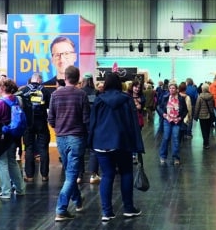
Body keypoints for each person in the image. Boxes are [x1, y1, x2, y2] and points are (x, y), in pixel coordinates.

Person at [87, 72, 145, 221]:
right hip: (122, 143)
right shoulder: (127, 99)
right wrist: (137, 144)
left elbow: (92, 122)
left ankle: (106, 212)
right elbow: (133, 123)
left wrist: (90, 142)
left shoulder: (99, 100)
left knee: (107, 175)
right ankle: (128, 208)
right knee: (126, 173)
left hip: (101, 143)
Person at [47, 65, 91, 221]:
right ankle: (61, 209)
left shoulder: (55, 94)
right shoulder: (81, 95)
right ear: (78, 79)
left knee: (69, 172)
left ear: (65, 78)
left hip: (61, 138)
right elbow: (86, 119)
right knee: (71, 175)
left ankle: (78, 201)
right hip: (76, 138)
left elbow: (51, 118)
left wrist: (59, 128)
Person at [0, 78, 25, 199]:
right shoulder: (16, 99)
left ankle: (6, 191)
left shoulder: (0, 103)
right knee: (12, 161)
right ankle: (20, 188)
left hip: (1, 136)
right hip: (13, 135)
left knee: (2, 163)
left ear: (3, 88)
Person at [17, 71, 51, 183]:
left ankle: (30, 176)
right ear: (39, 79)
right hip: (41, 123)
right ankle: (44, 175)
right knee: (43, 148)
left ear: (32, 79)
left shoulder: (24, 90)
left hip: (28, 123)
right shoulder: (45, 91)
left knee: (29, 148)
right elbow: (49, 107)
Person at [158, 81, 189, 166]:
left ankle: (176, 157)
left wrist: (180, 118)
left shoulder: (181, 99)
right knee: (166, 137)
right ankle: (163, 156)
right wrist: (163, 114)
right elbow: (159, 107)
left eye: (173, 88)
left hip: (177, 121)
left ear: (176, 89)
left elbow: (185, 110)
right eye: (170, 88)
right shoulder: (165, 97)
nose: (172, 89)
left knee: (175, 138)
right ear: (168, 89)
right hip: (167, 120)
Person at [80, 75, 100, 183]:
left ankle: (79, 175)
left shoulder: (79, 92)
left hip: (80, 124)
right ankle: (93, 175)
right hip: (93, 124)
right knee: (93, 150)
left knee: (80, 150)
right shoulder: (96, 92)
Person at [193, 83, 216, 149]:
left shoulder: (200, 97)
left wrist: (195, 116)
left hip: (202, 116)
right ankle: (206, 142)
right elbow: (214, 105)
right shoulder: (211, 96)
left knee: (203, 130)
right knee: (208, 129)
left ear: (202, 89)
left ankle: (206, 143)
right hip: (209, 115)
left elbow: (197, 107)